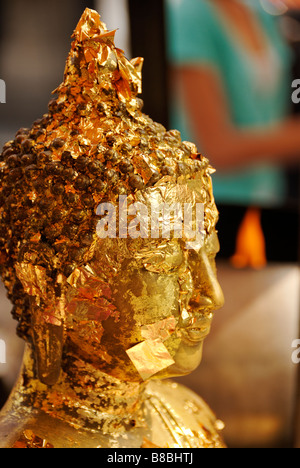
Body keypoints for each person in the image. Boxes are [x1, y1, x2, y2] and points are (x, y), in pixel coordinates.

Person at [0, 9, 225, 448]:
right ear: (46, 284)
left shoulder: (186, 417)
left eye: (210, 254)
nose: (211, 295)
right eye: (162, 262)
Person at [165, 0, 300, 266]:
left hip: (267, 195)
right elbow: (214, 148)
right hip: (212, 207)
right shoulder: (189, 17)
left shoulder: (258, 10)